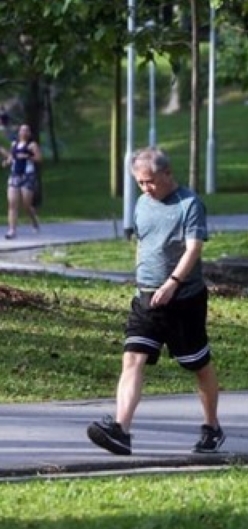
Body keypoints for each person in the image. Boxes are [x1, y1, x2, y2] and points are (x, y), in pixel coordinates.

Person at [86, 147, 225, 456]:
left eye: (150, 181)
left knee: (198, 366)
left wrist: (173, 283)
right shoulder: (142, 203)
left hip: (184, 300)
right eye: (139, 182)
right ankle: (121, 430)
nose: (146, 188)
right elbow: (145, 242)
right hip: (146, 298)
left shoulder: (189, 204)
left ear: (167, 174)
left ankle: (212, 427)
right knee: (132, 358)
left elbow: (193, 249)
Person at [2, 123, 42, 239]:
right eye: (22, 130)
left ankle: (34, 221)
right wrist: (7, 162)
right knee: (12, 204)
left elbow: (39, 158)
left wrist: (28, 157)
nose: (24, 132)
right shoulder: (14, 144)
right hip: (14, 176)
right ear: (19, 132)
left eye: (26, 131)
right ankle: (12, 230)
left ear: (29, 133)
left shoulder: (32, 145)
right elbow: (12, 158)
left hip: (27, 176)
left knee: (26, 204)